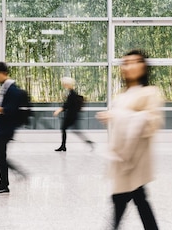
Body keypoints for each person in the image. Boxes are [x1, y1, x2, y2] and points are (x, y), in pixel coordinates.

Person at [96, 50, 163, 230]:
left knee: (125, 199)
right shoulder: (122, 95)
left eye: (135, 62)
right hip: (122, 159)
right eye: (125, 63)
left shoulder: (149, 92)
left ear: (144, 66)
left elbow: (152, 122)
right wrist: (113, 117)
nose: (129, 66)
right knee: (135, 199)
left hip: (135, 159)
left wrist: (117, 115)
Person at [0, 62, 27, 196]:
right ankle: (5, 182)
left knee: (0, 156)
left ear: (3, 74)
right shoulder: (5, 88)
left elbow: (9, 110)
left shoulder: (11, 90)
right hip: (3, 126)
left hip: (6, 127)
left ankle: (4, 184)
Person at [53, 77, 94, 152]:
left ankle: (63, 146)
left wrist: (59, 110)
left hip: (71, 116)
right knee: (73, 130)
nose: (63, 85)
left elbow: (67, 104)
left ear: (68, 84)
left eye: (64, 84)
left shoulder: (72, 93)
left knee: (65, 129)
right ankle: (88, 142)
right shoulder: (71, 93)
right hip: (72, 115)